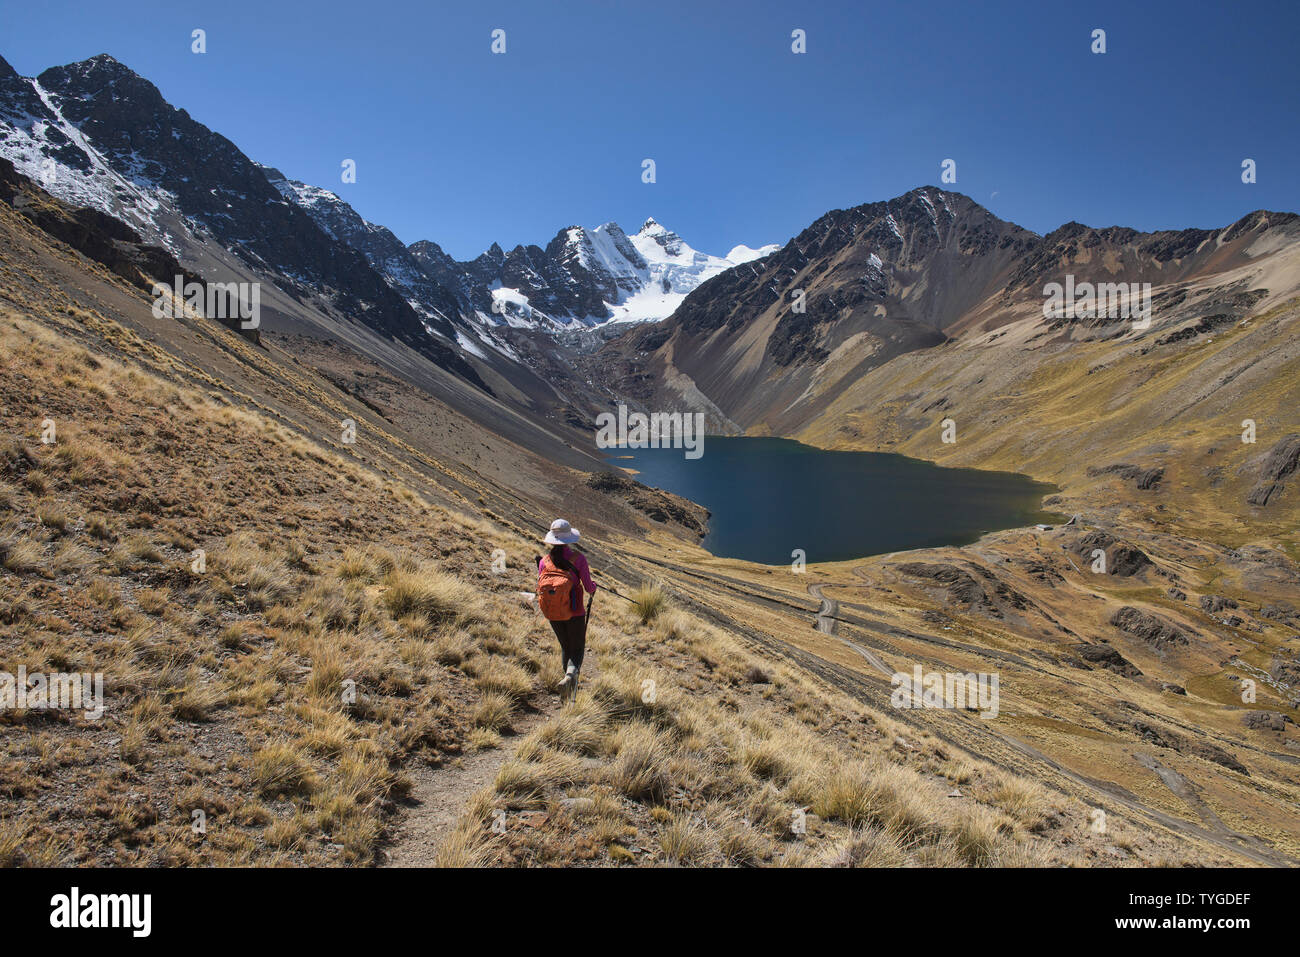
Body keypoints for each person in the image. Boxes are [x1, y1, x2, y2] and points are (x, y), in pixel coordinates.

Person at [535, 518, 597, 703]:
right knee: (577, 649)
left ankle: (566, 684)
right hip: (575, 611)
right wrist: (594, 587)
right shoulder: (578, 559)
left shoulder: (544, 562)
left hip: (553, 612)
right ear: (569, 539)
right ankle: (570, 677)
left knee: (565, 647)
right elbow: (588, 587)